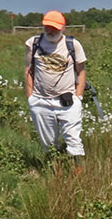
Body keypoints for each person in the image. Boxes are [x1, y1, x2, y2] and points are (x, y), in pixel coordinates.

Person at [24, 10, 86, 174]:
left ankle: (77, 173)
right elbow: (28, 70)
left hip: (68, 101)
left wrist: (79, 97)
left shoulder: (73, 45)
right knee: (48, 142)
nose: (51, 31)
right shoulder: (33, 43)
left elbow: (81, 71)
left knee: (73, 138)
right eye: (48, 27)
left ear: (63, 27)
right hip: (40, 101)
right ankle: (54, 171)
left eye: (55, 28)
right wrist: (30, 98)